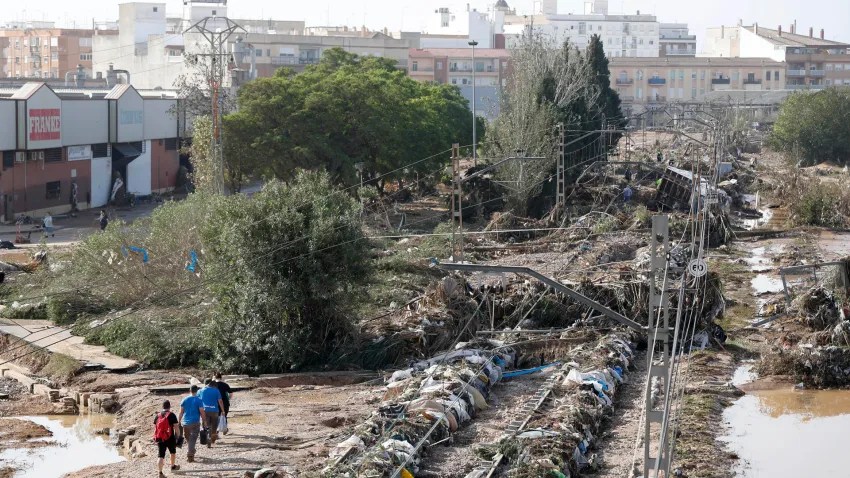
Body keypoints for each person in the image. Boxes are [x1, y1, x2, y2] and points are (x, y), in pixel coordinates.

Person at [178, 385, 206, 463]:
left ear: (190, 390)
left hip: (185, 423)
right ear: (197, 391)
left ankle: (192, 450)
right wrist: (204, 421)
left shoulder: (184, 399)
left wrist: (179, 421)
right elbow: (202, 412)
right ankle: (190, 454)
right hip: (195, 423)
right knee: (192, 439)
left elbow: (181, 412)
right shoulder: (199, 400)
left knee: (189, 439)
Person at [153, 400, 180, 477]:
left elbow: (156, 428)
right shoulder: (172, 415)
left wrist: (155, 437)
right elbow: (176, 427)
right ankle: (173, 466)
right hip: (170, 438)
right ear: (169, 407)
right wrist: (178, 436)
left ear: (162, 407)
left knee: (160, 455)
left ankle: (160, 472)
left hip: (160, 438)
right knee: (172, 452)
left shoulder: (158, 415)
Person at [198, 378, 225, 447]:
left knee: (206, 426)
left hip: (205, 411)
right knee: (214, 426)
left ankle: (208, 440)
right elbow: (220, 401)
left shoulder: (201, 390)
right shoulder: (216, 390)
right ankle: (212, 439)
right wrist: (223, 410)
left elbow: (198, 400)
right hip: (214, 411)